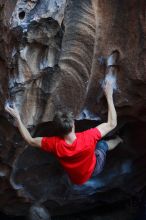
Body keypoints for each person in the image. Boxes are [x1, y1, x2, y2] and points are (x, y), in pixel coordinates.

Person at [5, 80, 122, 185]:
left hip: (76, 179)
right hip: (94, 169)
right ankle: (118, 140)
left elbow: (30, 140)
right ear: (73, 124)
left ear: (57, 131)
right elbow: (112, 123)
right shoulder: (88, 137)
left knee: (94, 149)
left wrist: (18, 118)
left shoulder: (55, 144)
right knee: (102, 145)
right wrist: (109, 96)